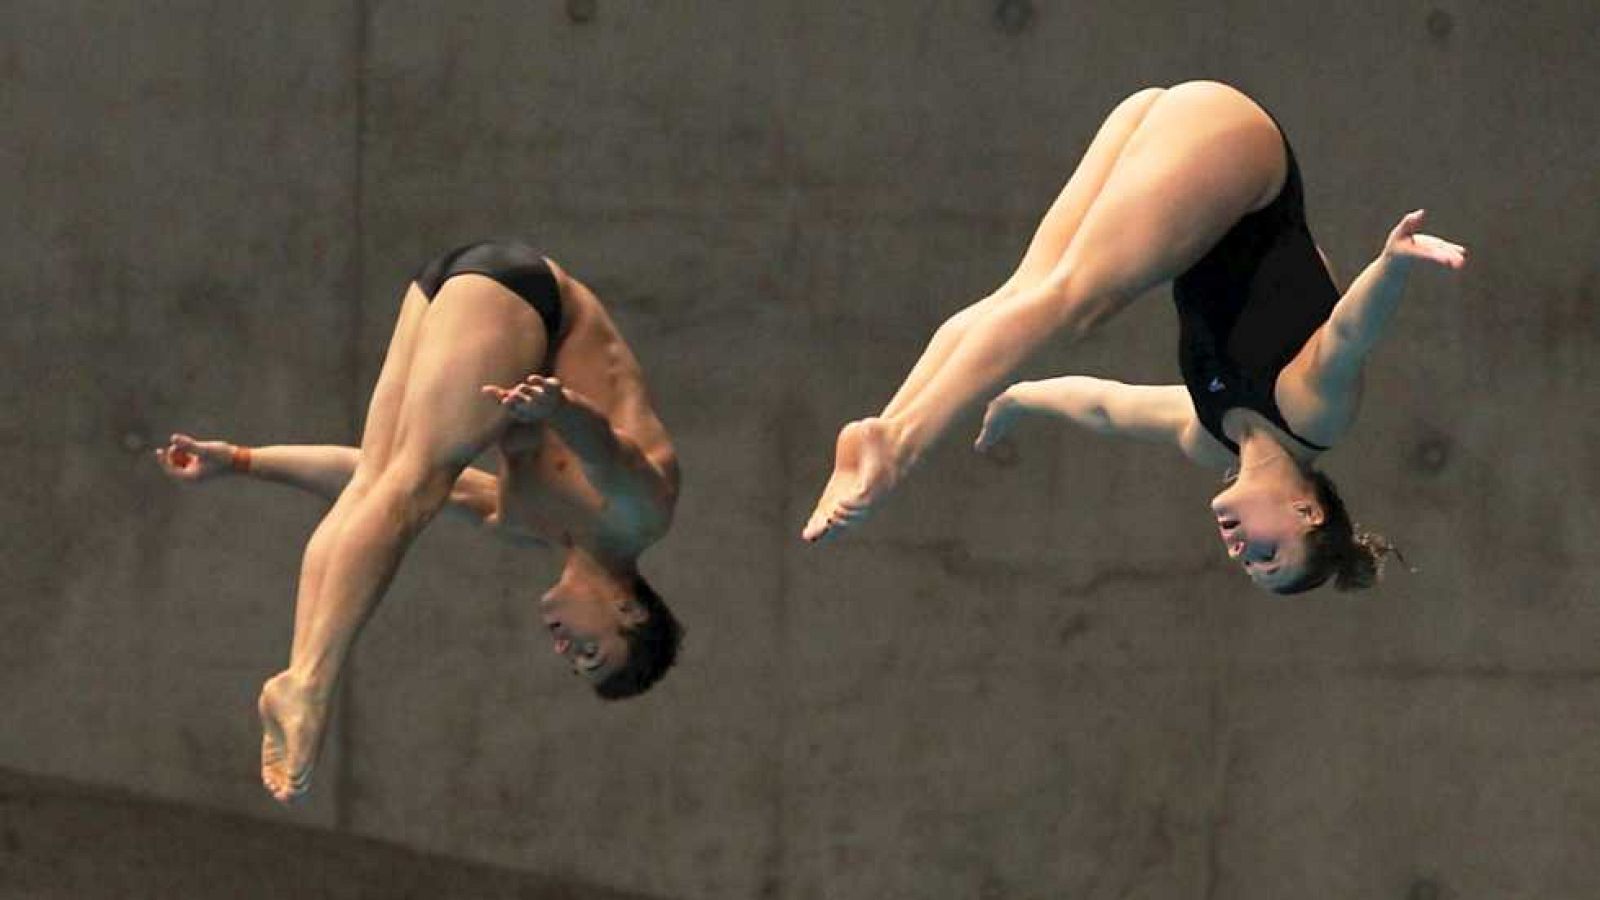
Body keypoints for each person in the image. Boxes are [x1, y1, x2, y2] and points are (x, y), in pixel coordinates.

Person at [802, 81, 1465, 594]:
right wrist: (1392, 266)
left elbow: (1106, 407)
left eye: (1245, 566)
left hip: (1172, 130)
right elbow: (1351, 333)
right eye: (1267, 554)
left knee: (1028, 293)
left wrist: (1021, 398)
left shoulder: (1212, 437)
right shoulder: (1313, 413)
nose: (1239, 551)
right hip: (1240, 152)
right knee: (1073, 302)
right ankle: (897, 447)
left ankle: (882, 428)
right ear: (1307, 512)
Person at [157, 241, 683, 804]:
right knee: (411, 485)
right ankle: (309, 682)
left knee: (379, 483)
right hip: (531, 300)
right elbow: (612, 453)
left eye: (575, 665)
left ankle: (300, 673)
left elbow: (364, 474)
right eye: (590, 653)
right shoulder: (640, 520)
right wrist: (562, 411)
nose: (565, 650)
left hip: (449, 286)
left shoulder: (530, 522)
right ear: (629, 610)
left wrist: (243, 460)